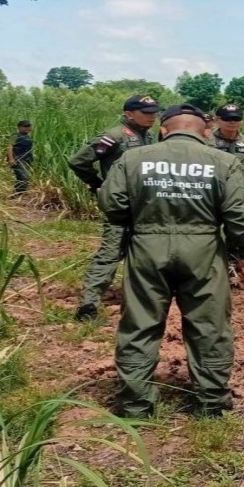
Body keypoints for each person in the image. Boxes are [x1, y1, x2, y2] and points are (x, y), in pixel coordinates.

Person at [98, 104, 244, 418]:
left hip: (147, 245)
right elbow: (240, 216)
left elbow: (113, 206)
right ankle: (211, 403)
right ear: (205, 132)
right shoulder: (224, 161)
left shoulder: (132, 159)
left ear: (163, 129)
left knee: (140, 324)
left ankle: (135, 405)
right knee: (209, 325)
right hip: (203, 249)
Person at [67, 94, 159, 321]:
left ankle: (140, 298)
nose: (152, 117)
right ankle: (88, 305)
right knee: (110, 253)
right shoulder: (114, 136)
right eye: (146, 113)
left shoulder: (149, 137)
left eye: (154, 113)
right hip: (121, 205)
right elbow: (79, 161)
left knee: (144, 252)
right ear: (128, 114)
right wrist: (98, 185)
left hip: (145, 206)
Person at [8, 120, 34, 196]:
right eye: (25, 126)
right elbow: (9, 147)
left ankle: (20, 194)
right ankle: (17, 195)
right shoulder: (14, 136)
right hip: (18, 159)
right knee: (23, 177)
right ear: (19, 127)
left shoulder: (28, 137)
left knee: (25, 177)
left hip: (27, 159)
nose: (28, 128)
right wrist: (11, 159)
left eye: (29, 126)